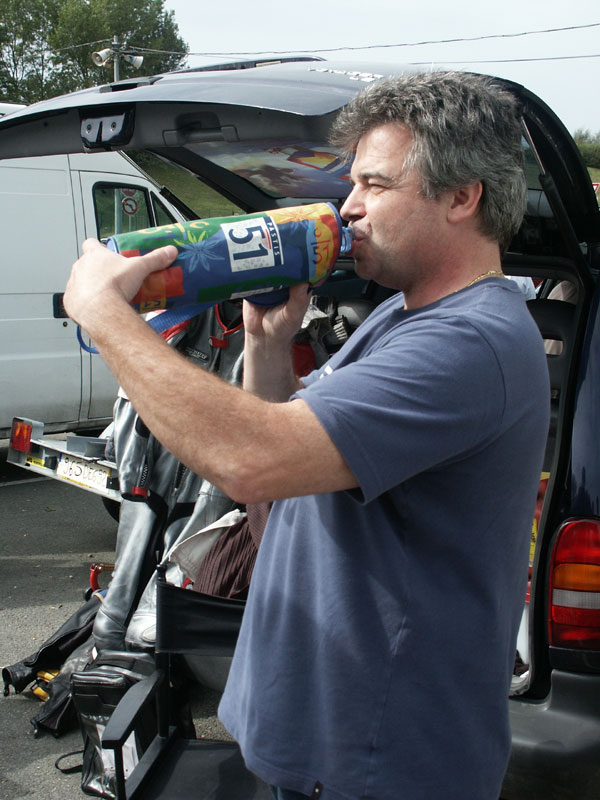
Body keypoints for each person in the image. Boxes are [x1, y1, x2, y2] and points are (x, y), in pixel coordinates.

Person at [63, 71, 550, 800]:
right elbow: (287, 484)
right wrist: (265, 346)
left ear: (461, 196)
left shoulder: (469, 341)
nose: (347, 206)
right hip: (319, 743)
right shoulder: (400, 316)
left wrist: (107, 315)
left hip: (384, 762)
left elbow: (252, 460)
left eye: (375, 185)